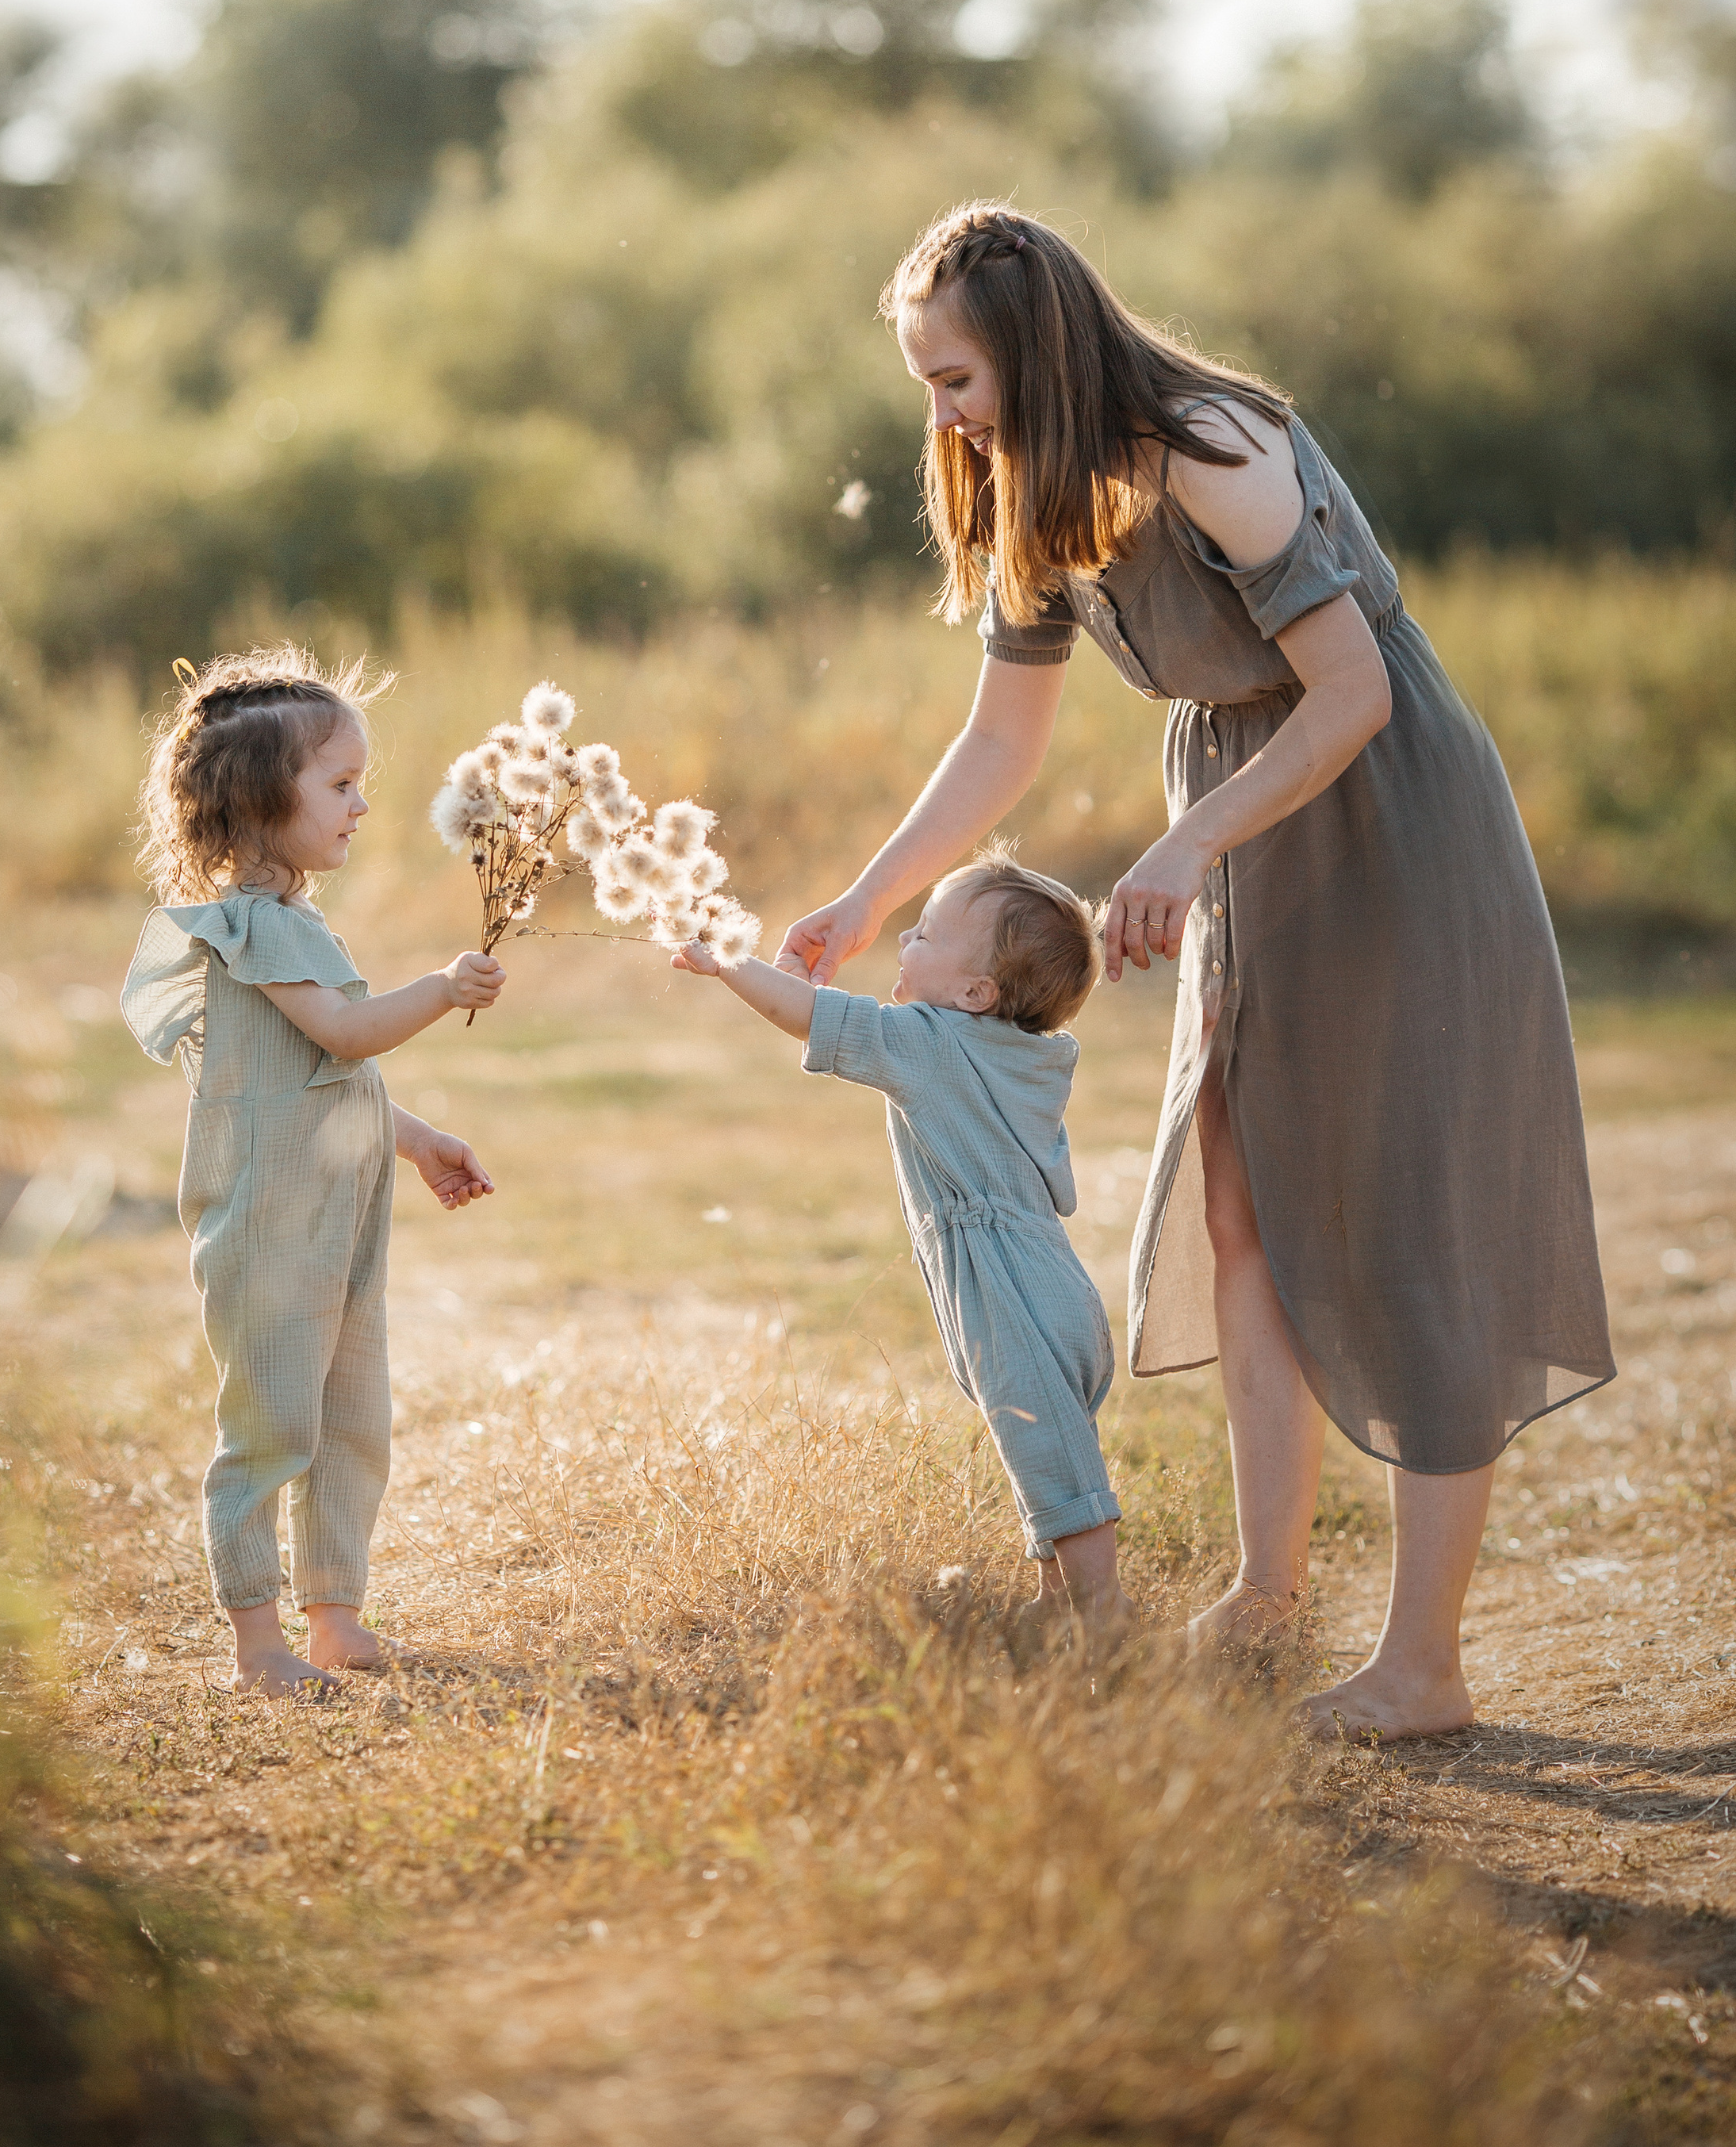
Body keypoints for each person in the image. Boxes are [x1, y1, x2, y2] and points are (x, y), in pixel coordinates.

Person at [779, 203, 1613, 1740]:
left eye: (953, 377)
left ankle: (1423, 1663)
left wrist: (1180, 849)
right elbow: (999, 744)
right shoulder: (1042, 494)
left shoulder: (1212, 445)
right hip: (1243, 815)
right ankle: (1264, 1589)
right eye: (926, 383)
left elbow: (1351, 693)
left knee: (1403, 1201)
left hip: (1377, 811)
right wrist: (859, 895)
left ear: (1030, 353)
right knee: (1237, 1194)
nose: (939, 414)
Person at [121, 645, 504, 1697]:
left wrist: (416, 1137)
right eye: (339, 784)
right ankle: (258, 1645)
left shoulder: (293, 920)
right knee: (274, 1421)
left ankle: (335, 1615)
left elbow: (323, 1076)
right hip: (267, 1222)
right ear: (256, 800)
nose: (362, 804)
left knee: (349, 1417)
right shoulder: (252, 924)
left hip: (336, 1217)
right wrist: (440, 988)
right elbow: (342, 1033)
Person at [676, 843, 1133, 1647]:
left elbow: (809, 1017)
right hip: (1050, 1280)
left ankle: (1103, 1612)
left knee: (1052, 1455)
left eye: (921, 934)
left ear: (973, 991)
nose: (901, 943)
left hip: (1010, 1287)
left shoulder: (933, 1042)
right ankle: (1057, 1599)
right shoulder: (1017, 1052)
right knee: (1044, 1442)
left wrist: (728, 961)